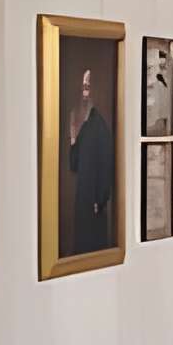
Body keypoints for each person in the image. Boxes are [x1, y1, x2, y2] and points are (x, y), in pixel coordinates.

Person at [67, 66, 116, 255]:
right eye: (83, 87)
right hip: (83, 199)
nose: (85, 93)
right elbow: (74, 165)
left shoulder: (100, 126)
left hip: (94, 204)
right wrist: (72, 138)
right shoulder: (85, 125)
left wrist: (100, 199)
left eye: (88, 87)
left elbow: (106, 166)